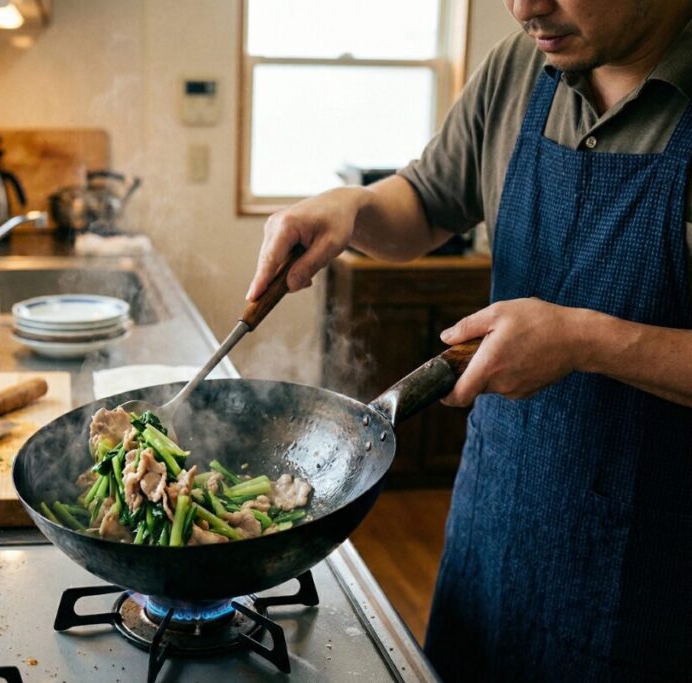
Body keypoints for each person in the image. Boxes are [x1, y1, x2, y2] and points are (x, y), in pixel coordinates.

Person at [246, 1, 692, 680]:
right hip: (496, 531)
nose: (523, 7)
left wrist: (583, 340)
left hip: (656, 577)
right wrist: (353, 207)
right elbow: (426, 202)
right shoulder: (520, 65)